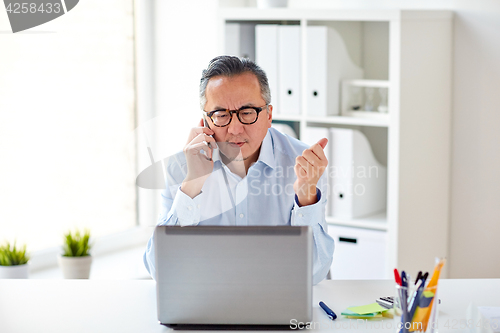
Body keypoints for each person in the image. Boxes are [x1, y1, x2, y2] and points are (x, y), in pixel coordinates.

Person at [143, 56, 334, 285]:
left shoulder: (303, 165)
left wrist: (306, 196)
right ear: (205, 121)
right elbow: (159, 271)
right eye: (221, 115)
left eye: (247, 112)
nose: (235, 129)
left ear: (269, 115)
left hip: (277, 302)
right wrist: (192, 184)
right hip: (205, 306)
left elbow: (315, 273)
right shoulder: (181, 168)